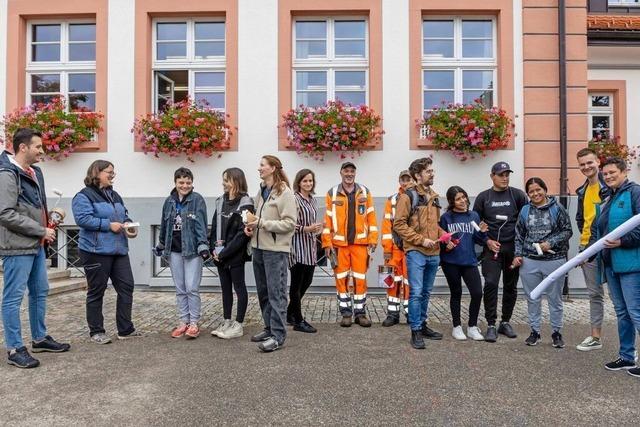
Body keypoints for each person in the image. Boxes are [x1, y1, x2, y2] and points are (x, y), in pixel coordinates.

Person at [0, 128, 70, 368]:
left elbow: (33, 207)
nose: (42, 151)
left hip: (36, 245)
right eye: (38, 146)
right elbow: (6, 213)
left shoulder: (34, 172)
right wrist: (41, 230)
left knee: (40, 291)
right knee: (13, 298)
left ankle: (39, 338)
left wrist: (50, 221)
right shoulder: (7, 173)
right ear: (23, 147)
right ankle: (14, 348)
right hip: (17, 246)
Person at [72, 160, 141, 344]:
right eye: (109, 172)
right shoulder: (83, 196)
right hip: (95, 251)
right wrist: (108, 225)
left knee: (127, 287)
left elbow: (122, 215)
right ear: (97, 172)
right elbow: (83, 219)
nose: (112, 175)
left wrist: (129, 224)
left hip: (118, 250)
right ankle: (96, 331)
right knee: (96, 291)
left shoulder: (114, 195)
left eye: (113, 172)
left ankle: (125, 329)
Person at [591, 157, 640, 377]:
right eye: (606, 173)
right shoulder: (608, 196)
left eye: (612, 172)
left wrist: (623, 241)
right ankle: (627, 356)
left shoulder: (635, 193)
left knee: (635, 312)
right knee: (622, 313)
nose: (608, 176)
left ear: (624, 171)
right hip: (611, 264)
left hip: (632, 264)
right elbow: (601, 229)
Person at [245, 155, 297, 352]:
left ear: (273, 168)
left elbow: (289, 224)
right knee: (263, 292)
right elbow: (257, 218)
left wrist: (261, 224)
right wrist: (250, 228)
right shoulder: (262, 190)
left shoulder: (285, 193)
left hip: (275, 251)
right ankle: (269, 327)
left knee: (276, 293)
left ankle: (278, 336)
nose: (259, 168)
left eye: (262, 165)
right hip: (259, 248)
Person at [512, 177, 572, 348]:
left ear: (545, 189)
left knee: (555, 299)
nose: (535, 193)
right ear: (528, 194)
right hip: (530, 261)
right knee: (533, 298)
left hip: (554, 261)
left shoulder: (557, 208)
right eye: (531, 191)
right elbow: (519, 235)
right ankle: (534, 332)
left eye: (538, 189)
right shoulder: (524, 210)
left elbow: (567, 231)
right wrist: (518, 254)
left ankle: (556, 332)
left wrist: (550, 243)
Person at [394, 157, 446, 350]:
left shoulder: (434, 196)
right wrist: (421, 240)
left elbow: (435, 225)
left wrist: (444, 235)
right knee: (415, 293)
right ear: (417, 175)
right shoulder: (408, 196)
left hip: (434, 252)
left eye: (432, 170)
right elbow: (398, 225)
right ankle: (415, 330)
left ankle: (423, 325)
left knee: (426, 292)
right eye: (428, 171)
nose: (432, 174)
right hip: (416, 251)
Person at [473, 162, 527, 342]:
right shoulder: (483, 197)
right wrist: (486, 241)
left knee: (510, 286)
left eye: (507, 174)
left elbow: (526, 220)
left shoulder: (518, 195)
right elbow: (475, 225)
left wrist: (521, 248)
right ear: (492, 176)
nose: (505, 178)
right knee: (490, 284)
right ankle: (490, 324)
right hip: (492, 250)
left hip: (512, 249)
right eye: (501, 174)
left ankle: (505, 322)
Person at [321, 162, 378, 328]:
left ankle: (360, 314)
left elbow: (371, 218)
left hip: (360, 245)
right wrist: (327, 243)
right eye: (346, 171)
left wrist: (373, 239)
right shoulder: (332, 193)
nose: (349, 174)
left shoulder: (365, 192)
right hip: (339, 245)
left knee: (360, 279)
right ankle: (346, 313)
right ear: (341, 173)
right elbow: (328, 220)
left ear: (355, 173)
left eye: (352, 171)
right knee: (341, 279)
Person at [155, 167, 209, 339]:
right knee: (180, 289)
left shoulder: (197, 200)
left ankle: (194, 323)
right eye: (181, 182)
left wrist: (203, 244)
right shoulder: (169, 201)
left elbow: (201, 224)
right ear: (175, 183)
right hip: (174, 250)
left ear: (192, 183)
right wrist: (161, 243)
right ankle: (183, 321)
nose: (185, 185)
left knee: (192, 288)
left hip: (192, 250)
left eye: (188, 182)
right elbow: (164, 225)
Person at [209, 168, 254, 339]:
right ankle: (227, 321)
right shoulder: (220, 201)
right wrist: (214, 249)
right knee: (225, 289)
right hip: (219, 254)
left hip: (235, 254)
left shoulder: (246, 202)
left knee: (239, 287)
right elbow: (214, 227)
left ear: (236, 181)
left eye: (226, 180)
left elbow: (243, 233)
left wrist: (225, 252)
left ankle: (238, 324)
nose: (223, 183)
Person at [438, 186, 487, 341]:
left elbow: (479, 241)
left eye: (464, 197)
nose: (463, 200)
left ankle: (472, 326)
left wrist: (482, 232)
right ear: (452, 202)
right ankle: (457, 327)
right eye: (458, 199)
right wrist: (446, 245)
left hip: (469, 261)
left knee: (477, 293)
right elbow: (441, 239)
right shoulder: (446, 218)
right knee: (456, 293)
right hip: (450, 262)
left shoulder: (474, 216)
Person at [575, 148, 609, 351]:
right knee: (594, 294)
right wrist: (585, 245)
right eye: (582, 164)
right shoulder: (582, 190)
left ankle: (629, 344)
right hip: (587, 247)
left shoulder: (610, 187)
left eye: (590, 162)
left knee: (619, 295)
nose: (586, 167)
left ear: (598, 162)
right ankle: (595, 337)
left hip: (608, 247)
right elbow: (582, 219)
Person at [288, 169, 322, 333]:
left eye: (310, 181)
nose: (308, 184)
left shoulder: (313, 200)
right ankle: (298, 320)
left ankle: (289, 313)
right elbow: (288, 224)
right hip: (297, 247)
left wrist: (316, 229)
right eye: (305, 181)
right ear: (299, 183)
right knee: (296, 284)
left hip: (310, 247)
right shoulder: (294, 200)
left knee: (307, 281)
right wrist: (307, 228)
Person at [380, 170, 413, 327]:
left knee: (410, 281)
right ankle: (392, 314)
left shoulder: (417, 199)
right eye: (403, 180)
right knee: (391, 281)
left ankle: (410, 313)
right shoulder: (391, 200)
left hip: (411, 247)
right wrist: (386, 249)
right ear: (399, 181)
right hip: (394, 248)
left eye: (408, 179)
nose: (405, 183)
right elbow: (387, 226)